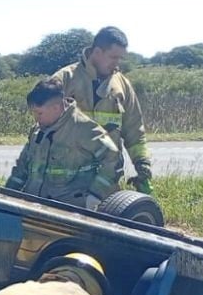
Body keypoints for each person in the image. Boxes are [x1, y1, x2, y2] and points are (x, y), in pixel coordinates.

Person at [52, 26, 153, 193]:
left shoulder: (122, 85)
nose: (117, 63)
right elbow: (42, 129)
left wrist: (142, 164)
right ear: (97, 52)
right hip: (65, 182)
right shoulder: (64, 80)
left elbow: (134, 129)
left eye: (120, 58)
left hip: (107, 181)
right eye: (113, 57)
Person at [5, 79, 121, 208]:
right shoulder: (37, 131)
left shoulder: (83, 128)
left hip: (69, 211)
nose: (36, 118)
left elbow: (114, 160)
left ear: (56, 108)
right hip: (34, 207)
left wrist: (95, 196)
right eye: (33, 113)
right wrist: (8, 194)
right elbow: (22, 168)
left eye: (39, 113)